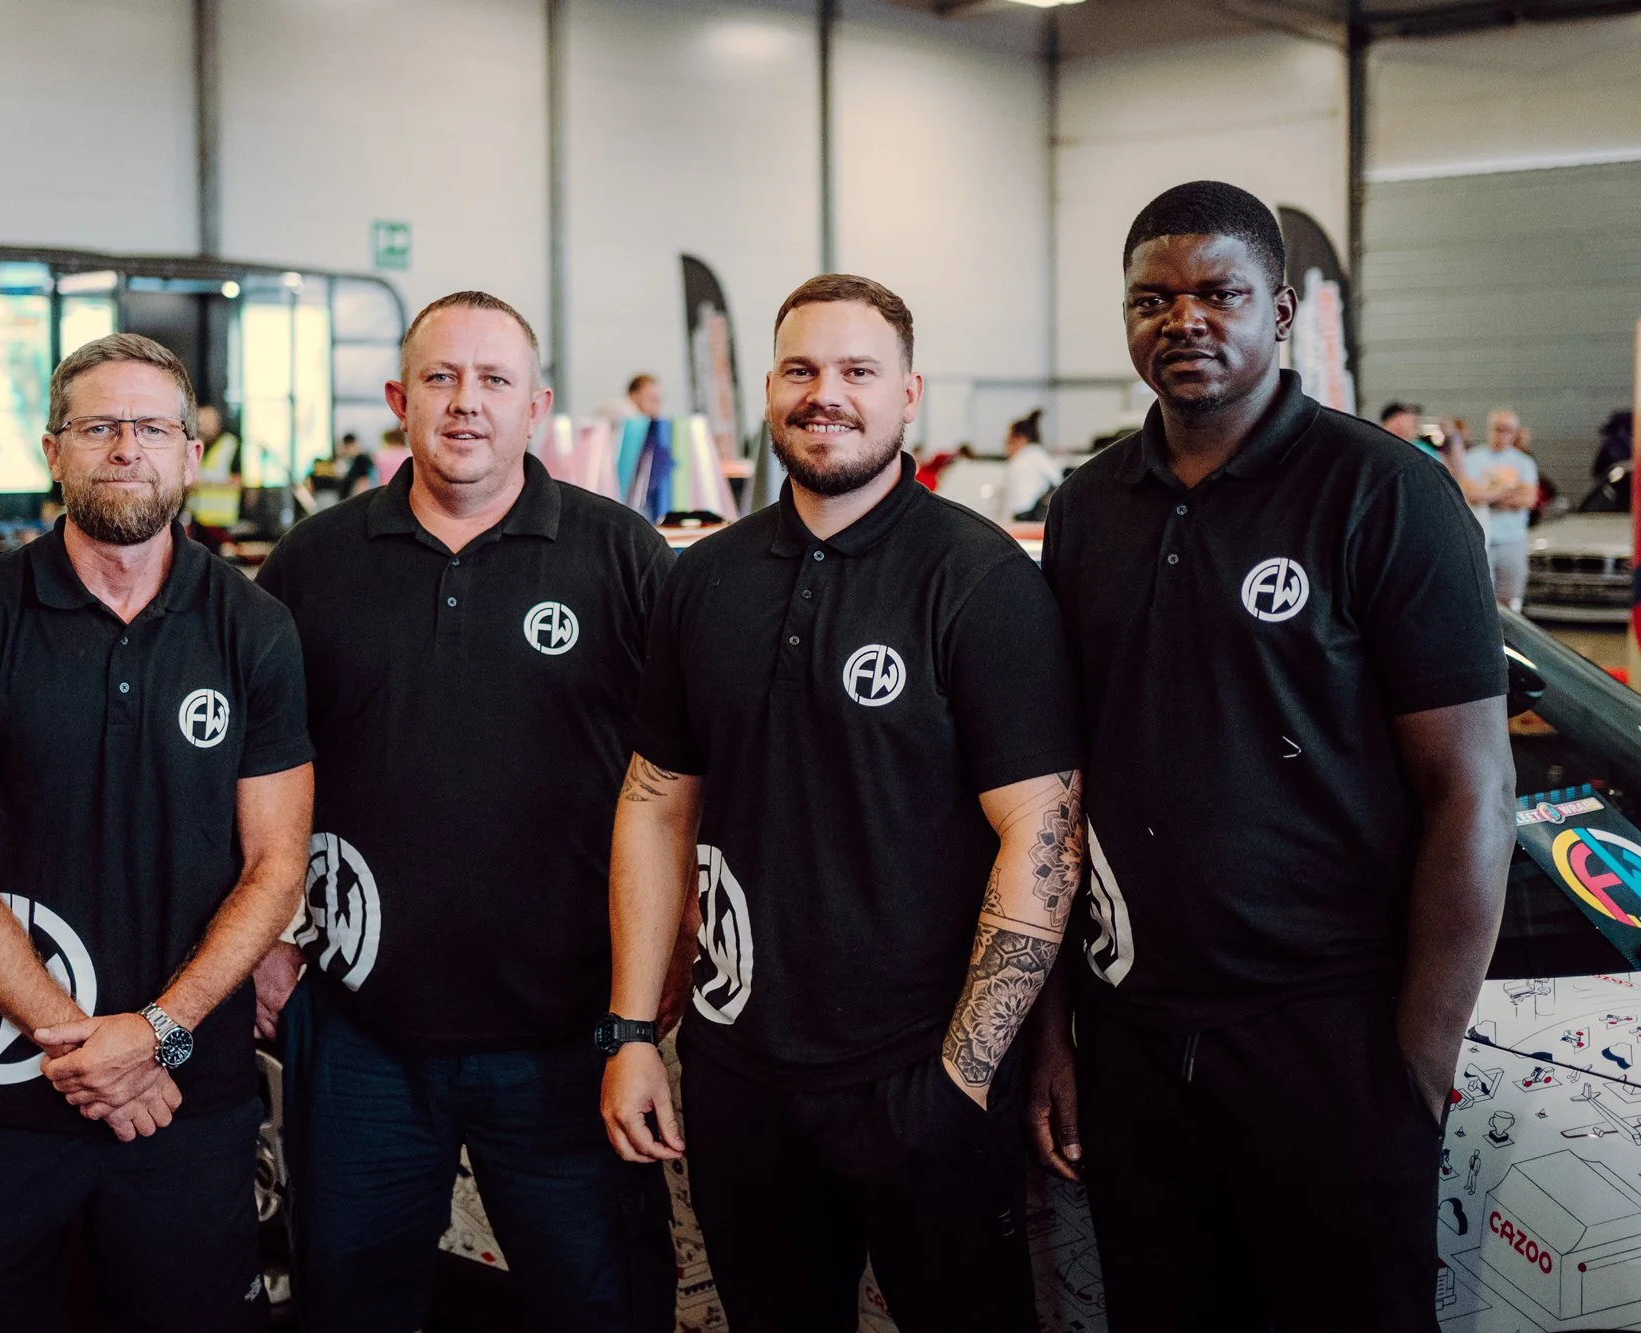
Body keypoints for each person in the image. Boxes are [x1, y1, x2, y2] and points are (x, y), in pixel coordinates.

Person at [1027, 180, 1515, 1331]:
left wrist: (1410, 1071)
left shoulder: (1384, 493)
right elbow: (1054, 794)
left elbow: (1471, 791)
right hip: (1135, 1038)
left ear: (1282, 309)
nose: (1181, 319)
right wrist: (1053, 1032)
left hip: (1327, 1036)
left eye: (1217, 293)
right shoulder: (1087, 507)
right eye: (1151, 298)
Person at [602, 273, 1086, 1331]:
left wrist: (961, 1075)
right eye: (800, 370)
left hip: (921, 1073)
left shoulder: (976, 576)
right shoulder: (703, 579)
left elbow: (1042, 833)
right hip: (737, 1077)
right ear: (769, 391)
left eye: (857, 371)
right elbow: (653, 804)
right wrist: (634, 1027)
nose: (827, 394)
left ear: (908, 394)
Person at [251, 291, 679, 1332]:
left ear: (535, 406)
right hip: (358, 1029)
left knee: (598, 1303)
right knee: (350, 1302)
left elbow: (685, 780)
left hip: (566, 1028)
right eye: (440, 378)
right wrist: (263, 941)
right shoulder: (312, 563)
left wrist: (659, 971)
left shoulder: (624, 560)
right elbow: (256, 770)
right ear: (400, 399)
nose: (465, 404)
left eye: (493, 381)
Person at [0, 332, 315, 1332]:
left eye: (153, 426)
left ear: (192, 454)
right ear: (52, 450)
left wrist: (157, 1034)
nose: (128, 445)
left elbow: (275, 863)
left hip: (189, 1093)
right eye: (99, 425)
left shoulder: (253, 628)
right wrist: (86, 1047)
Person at [1460, 409, 1539, 612]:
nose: (1502, 434)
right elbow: (1470, 495)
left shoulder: (1524, 462)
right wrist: (1509, 490)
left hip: (1513, 541)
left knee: (1510, 602)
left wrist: (1488, 494)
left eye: (1507, 430)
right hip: (1481, 540)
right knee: (1481, 599)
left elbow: (1528, 499)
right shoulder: (1473, 459)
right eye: (1498, 429)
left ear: (1515, 433)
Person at [1003, 410, 1063, 522]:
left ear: (1020, 438)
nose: (1006, 449)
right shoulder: (1046, 460)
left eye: (1008, 442)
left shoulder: (1020, 463)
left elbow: (1019, 508)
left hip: (1026, 527)